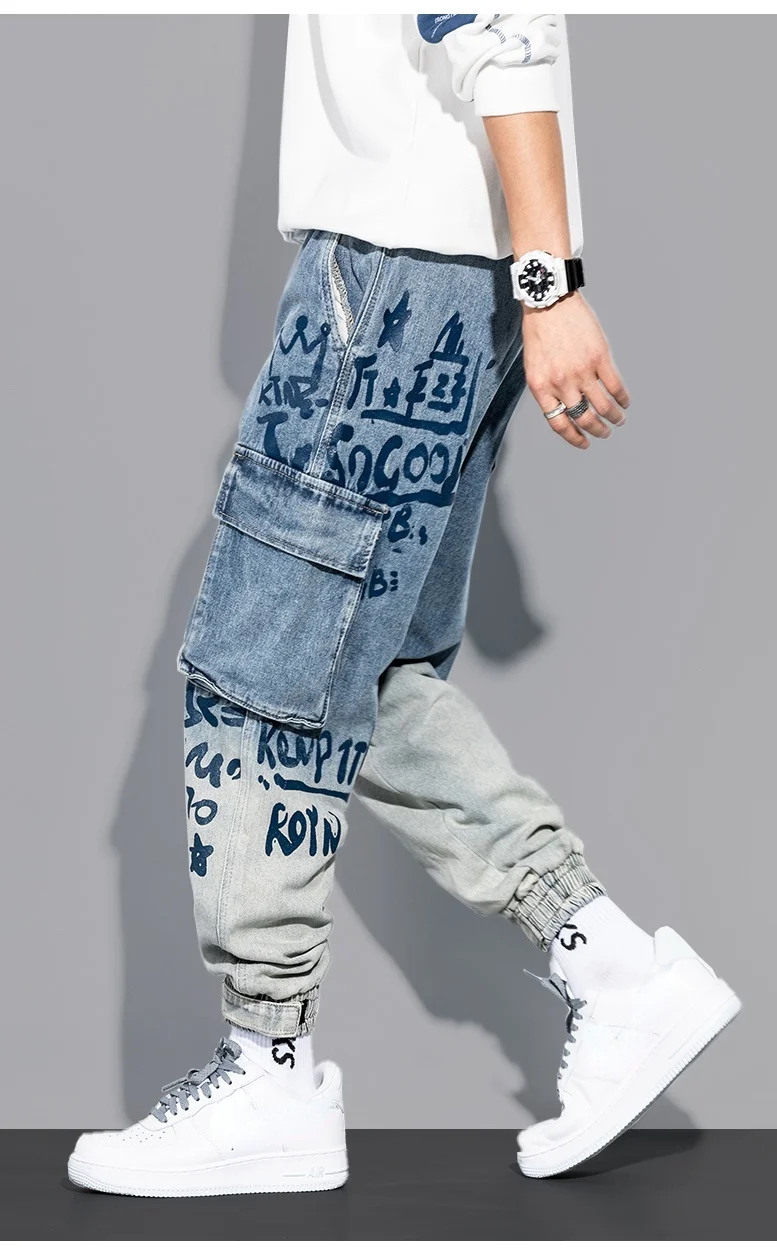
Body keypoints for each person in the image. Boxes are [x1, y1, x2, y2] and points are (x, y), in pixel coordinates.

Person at [68, 14, 740, 1196]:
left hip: (391, 272)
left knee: (257, 673)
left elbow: (496, 31)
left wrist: (549, 285)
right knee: (363, 676)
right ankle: (613, 968)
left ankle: (268, 1069)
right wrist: (531, 284)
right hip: (445, 277)